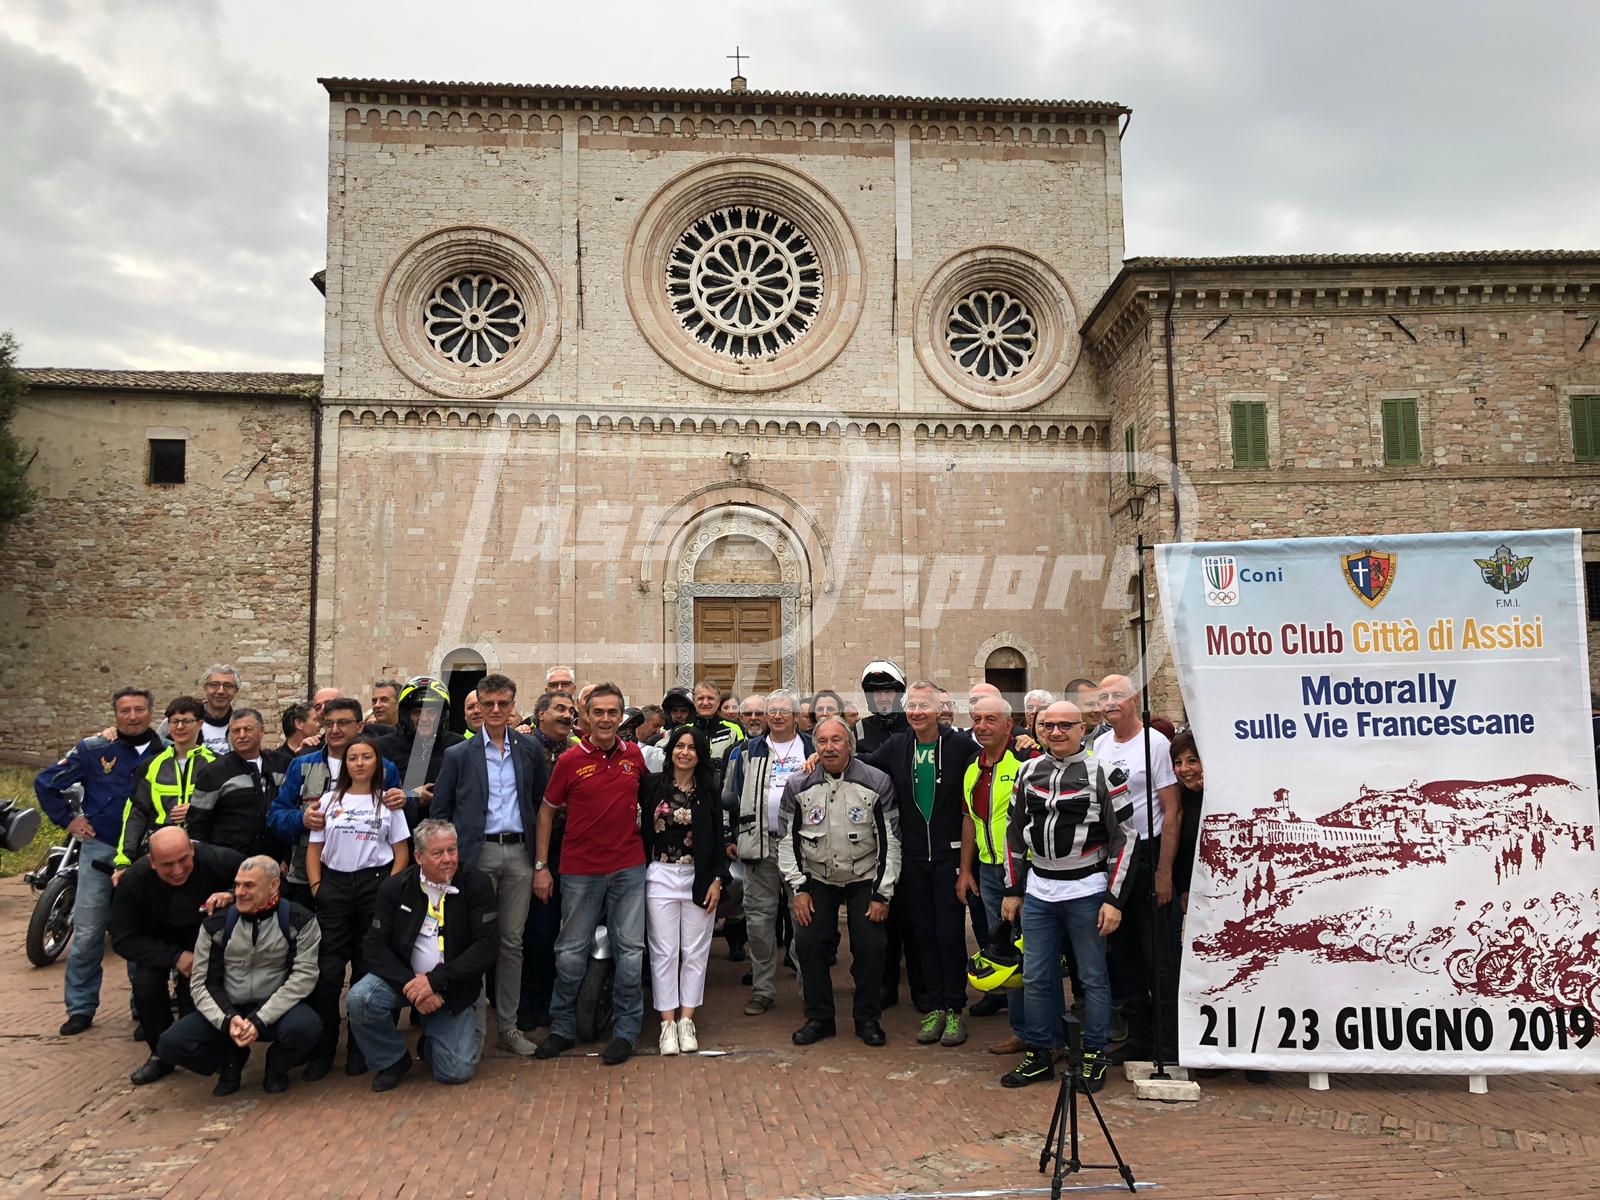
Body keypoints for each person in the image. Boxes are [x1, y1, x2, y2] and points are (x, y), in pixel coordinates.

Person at [998, 699, 1136, 1091]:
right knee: (1035, 977)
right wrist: (1012, 888)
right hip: (1039, 890)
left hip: (1087, 888)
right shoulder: (1027, 771)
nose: (1055, 732)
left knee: (1092, 978)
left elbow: (1125, 838)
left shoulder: (1104, 773)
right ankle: (1041, 1052)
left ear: (1081, 729)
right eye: (1048, 726)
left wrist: (1113, 900)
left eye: (1064, 725)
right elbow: (1013, 834)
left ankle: (1094, 1054)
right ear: (1038, 729)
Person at [36, 687, 166, 1036]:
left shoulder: (167, 752)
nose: (133, 716)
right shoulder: (94, 749)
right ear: (115, 714)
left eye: (139, 709)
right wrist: (68, 820)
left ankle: (145, 1007)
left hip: (145, 854)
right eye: (125, 710)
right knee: (89, 932)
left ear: (150, 713)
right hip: (100, 849)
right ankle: (80, 1008)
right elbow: (46, 782)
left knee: (143, 933)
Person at [431, 672, 549, 1057]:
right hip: (476, 856)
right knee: (475, 943)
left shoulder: (528, 749)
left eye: (503, 703)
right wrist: (448, 860)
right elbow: (441, 810)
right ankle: (475, 1027)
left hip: (519, 854)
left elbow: (539, 803)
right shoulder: (458, 755)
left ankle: (508, 1027)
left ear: (513, 705)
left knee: (512, 942)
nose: (496, 710)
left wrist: (540, 862)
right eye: (489, 704)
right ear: (479, 707)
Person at [534, 682, 649, 1066]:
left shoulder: (633, 755)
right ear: (585, 717)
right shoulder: (570, 760)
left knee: (630, 954)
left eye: (612, 712)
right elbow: (546, 811)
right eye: (598, 712)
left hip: (628, 868)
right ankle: (562, 1027)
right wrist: (541, 866)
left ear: (621, 716)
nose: (605, 719)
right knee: (569, 953)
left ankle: (626, 1031)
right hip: (580, 870)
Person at [862, 681, 980, 1047]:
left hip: (949, 857)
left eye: (923, 706)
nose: (916, 712)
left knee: (949, 934)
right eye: (911, 706)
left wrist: (1024, 743)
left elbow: (993, 757)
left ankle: (955, 1008)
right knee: (923, 935)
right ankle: (935, 1007)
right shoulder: (898, 745)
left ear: (939, 709)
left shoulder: (960, 746)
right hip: (913, 857)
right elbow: (863, 764)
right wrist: (820, 757)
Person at [347, 819, 500, 1089]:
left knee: (455, 1072)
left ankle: (430, 1041)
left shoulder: (476, 884)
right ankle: (392, 1060)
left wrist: (435, 982)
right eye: (438, 853)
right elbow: (374, 946)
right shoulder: (395, 888)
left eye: (452, 850)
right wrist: (413, 985)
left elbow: (487, 948)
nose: (448, 859)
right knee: (360, 999)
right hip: (404, 981)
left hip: (452, 987)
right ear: (418, 857)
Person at [778, 716, 900, 1047]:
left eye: (836, 740)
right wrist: (799, 888)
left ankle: (868, 1018)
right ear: (814, 746)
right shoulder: (798, 784)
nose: (829, 747)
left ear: (849, 745)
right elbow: (787, 839)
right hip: (817, 877)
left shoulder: (876, 782)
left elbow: (891, 841)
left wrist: (882, 894)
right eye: (822, 741)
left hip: (864, 877)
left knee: (871, 946)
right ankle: (819, 1018)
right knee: (808, 945)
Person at [158, 855, 321, 1096]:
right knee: (170, 1045)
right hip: (229, 1007)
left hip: (276, 1009)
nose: (239, 892)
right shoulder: (215, 924)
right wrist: (228, 1020)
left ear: (274, 885)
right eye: (237, 884)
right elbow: (202, 983)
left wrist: (259, 1020)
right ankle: (230, 1061)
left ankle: (276, 1066)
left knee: (307, 1027)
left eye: (249, 885)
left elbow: (303, 978)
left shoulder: (300, 920)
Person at [303, 736, 411, 1079]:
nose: (360, 763)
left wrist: (389, 890)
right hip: (334, 885)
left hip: (374, 885)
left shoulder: (388, 802)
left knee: (368, 966)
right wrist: (317, 887)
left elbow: (402, 852)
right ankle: (324, 1048)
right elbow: (313, 849)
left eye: (366, 757)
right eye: (353, 758)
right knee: (329, 971)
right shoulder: (328, 801)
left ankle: (360, 1048)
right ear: (345, 764)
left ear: (377, 762)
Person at [1094, 674, 1181, 1066]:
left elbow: (1172, 810)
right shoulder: (1100, 745)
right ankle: (1140, 1036)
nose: (1110, 702)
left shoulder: (1155, 744)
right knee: (1123, 954)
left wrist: (1164, 871)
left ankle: (1169, 1043)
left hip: (1148, 852)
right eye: (1104, 697)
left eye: (1118, 695)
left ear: (1134, 700)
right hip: (1115, 857)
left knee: (1156, 955)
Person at [110, 829, 242, 1084]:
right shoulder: (134, 880)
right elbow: (122, 937)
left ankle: (207, 1049)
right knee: (145, 985)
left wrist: (232, 893)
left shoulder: (217, 859)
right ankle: (160, 1054)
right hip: (155, 942)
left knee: (195, 992)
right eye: (167, 865)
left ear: (193, 849)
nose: (178, 870)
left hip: (204, 939)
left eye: (183, 860)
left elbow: (263, 878)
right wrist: (176, 957)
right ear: (151, 862)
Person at [267, 697, 403, 910]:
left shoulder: (384, 769)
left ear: (360, 726)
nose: (334, 730)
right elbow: (275, 816)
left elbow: (400, 820)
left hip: (369, 880)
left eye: (343, 723)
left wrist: (404, 799)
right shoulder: (301, 765)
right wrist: (301, 819)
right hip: (305, 876)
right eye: (328, 724)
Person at [724, 689, 812, 1016]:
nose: (776, 716)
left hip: (803, 848)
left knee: (804, 920)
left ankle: (810, 989)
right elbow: (728, 795)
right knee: (759, 922)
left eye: (783, 711)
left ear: (796, 716)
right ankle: (762, 990)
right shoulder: (747, 751)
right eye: (771, 711)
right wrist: (729, 835)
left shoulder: (812, 747)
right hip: (759, 845)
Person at [644, 725, 729, 1055]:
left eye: (692, 748)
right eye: (680, 746)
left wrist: (718, 880)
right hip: (660, 875)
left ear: (700, 754)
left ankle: (686, 1019)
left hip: (699, 877)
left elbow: (719, 840)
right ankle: (667, 1022)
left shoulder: (708, 791)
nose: (685, 752)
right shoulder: (652, 786)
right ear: (671, 750)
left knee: (695, 951)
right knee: (664, 951)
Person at [955, 695, 1034, 1048]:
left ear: (1008, 724)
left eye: (991, 719)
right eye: (977, 719)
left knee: (1032, 952)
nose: (982, 726)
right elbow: (969, 820)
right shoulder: (973, 767)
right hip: (989, 870)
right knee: (1004, 952)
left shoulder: (1025, 760)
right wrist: (965, 869)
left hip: (1024, 870)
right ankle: (1021, 1031)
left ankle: (1042, 1033)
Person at [518, 690, 580, 1032]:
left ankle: (545, 1001)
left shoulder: (575, 750)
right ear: (540, 714)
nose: (567, 715)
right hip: (531, 850)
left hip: (568, 850)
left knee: (555, 929)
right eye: (559, 708)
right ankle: (525, 1003)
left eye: (570, 710)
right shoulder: (523, 748)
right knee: (532, 931)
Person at [115, 696, 217, 872]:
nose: (180, 727)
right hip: (161, 852)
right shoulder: (151, 765)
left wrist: (197, 811)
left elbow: (229, 810)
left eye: (186, 721)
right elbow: (136, 814)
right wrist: (124, 860)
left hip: (203, 851)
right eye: (174, 721)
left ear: (200, 724)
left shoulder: (216, 763)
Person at [189, 709, 288, 860]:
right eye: (235, 731)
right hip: (227, 862)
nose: (241, 735)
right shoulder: (213, 773)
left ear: (261, 731)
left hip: (274, 861)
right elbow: (197, 824)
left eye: (248, 729)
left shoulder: (281, 764)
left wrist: (285, 858)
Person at [376, 676, 465, 816]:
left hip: (447, 826)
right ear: (406, 716)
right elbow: (368, 794)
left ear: (441, 716)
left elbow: (472, 791)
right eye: (417, 712)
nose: (424, 718)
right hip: (401, 826)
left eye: (431, 712)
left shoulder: (458, 745)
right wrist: (411, 796)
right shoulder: (383, 747)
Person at [690, 679, 746, 782]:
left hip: (724, 787)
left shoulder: (734, 728)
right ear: (694, 702)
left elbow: (743, 761)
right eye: (700, 698)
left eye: (710, 698)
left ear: (718, 702)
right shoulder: (684, 730)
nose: (705, 703)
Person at [855, 660, 909, 754]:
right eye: (877, 692)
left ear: (898, 695)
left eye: (888, 692)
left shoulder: (912, 724)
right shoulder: (860, 727)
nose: (883, 698)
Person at [198, 665, 242, 756]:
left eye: (228, 685)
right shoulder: (183, 723)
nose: (221, 691)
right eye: (214, 685)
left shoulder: (242, 726)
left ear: (236, 690)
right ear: (205, 688)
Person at [1066, 678, 1111, 744]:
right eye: (1090, 704)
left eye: (1099, 704)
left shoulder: (1111, 738)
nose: (1098, 709)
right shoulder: (1056, 736)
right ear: (1071, 706)